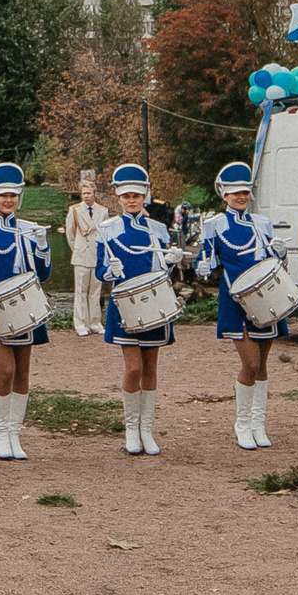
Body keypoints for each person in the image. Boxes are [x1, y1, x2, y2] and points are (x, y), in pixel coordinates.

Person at [0, 161, 53, 459]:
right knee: (6, 370)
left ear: (19, 198)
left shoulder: (29, 230)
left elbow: (42, 275)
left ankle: (16, 434)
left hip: (25, 308)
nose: (8, 200)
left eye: (13, 195)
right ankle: (1, 433)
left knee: (23, 373)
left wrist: (42, 247)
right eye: (2, 195)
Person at [194, 161, 284, 449]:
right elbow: (204, 261)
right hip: (235, 300)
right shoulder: (214, 225)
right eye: (235, 193)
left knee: (264, 364)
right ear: (224, 196)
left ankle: (259, 424)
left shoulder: (262, 223)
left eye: (245, 192)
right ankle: (242, 423)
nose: (241, 197)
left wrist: (281, 254)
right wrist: (204, 266)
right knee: (250, 362)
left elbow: (272, 263)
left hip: (266, 298)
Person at [96, 162, 183, 456]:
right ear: (118, 198)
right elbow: (99, 270)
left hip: (155, 306)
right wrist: (109, 269)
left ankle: (148, 429)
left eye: (137, 195)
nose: (132, 200)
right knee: (133, 368)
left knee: (151, 368)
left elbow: (162, 274)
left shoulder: (158, 230)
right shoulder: (106, 229)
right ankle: (131, 429)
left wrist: (171, 262)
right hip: (124, 307)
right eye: (126, 196)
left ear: (145, 195)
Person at [64, 169, 105, 337]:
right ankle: (80, 324)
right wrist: (78, 250)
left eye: (89, 193)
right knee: (80, 292)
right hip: (81, 255)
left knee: (95, 292)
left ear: (95, 194)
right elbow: (70, 234)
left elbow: (104, 234)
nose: (86, 196)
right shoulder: (74, 210)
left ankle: (95, 322)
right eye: (84, 193)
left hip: (96, 255)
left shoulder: (103, 211)